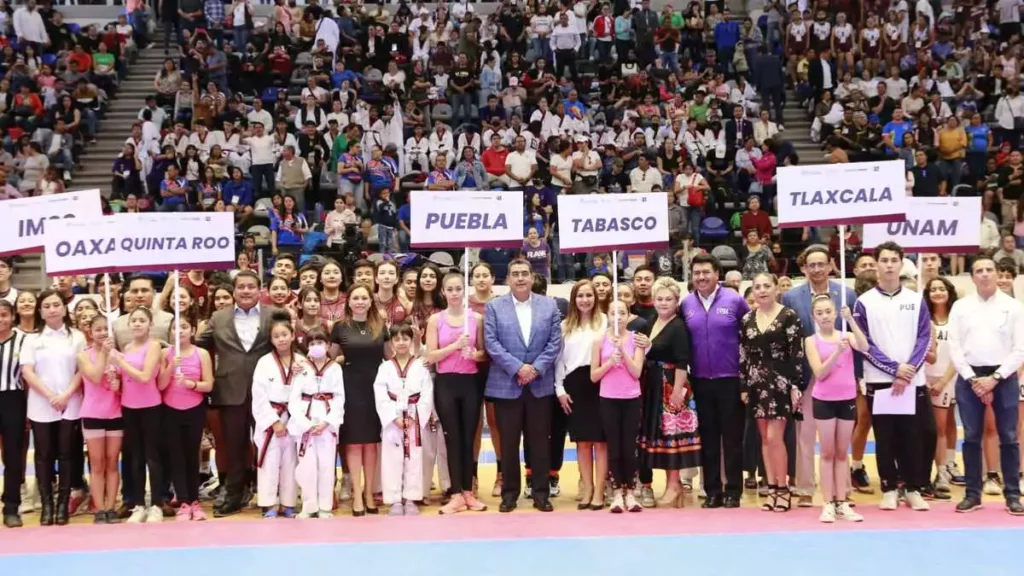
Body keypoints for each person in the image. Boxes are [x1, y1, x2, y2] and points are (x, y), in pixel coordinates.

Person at [853, 241, 933, 512]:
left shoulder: (915, 299)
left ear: (901, 263)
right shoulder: (864, 302)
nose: (888, 265)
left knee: (913, 437)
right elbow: (865, 344)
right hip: (879, 380)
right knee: (884, 437)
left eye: (893, 260)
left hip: (913, 380)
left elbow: (924, 337)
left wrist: (907, 369)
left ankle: (913, 489)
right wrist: (893, 369)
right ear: (876, 264)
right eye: (883, 260)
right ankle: (888, 488)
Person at [483, 258, 562, 513]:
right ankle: (509, 494)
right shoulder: (494, 307)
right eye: (515, 274)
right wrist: (518, 368)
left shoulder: (549, 305)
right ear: (507, 279)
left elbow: (554, 343)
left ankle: (541, 493)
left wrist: (535, 368)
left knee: (539, 442)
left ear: (532, 277)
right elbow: (492, 343)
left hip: (539, 384)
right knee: (508, 443)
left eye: (524, 274)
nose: (520, 278)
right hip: (507, 384)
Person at [196, 271, 277, 517]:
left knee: (268, 445)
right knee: (234, 446)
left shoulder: (274, 315)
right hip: (230, 390)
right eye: (241, 286)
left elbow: (285, 344)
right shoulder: (218, 317)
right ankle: (234, 493)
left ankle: (269, 495)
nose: (246, 291)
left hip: (268, 391)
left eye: (251, 286)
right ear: (234, 290)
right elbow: (199, 346)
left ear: (259, 289)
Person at [947, 256, 1024, 515]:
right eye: (979, 270)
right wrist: (971, 378)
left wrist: (996, 378)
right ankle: (972, 494)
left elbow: (1020, 349)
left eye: (989, 270)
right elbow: (954, 347)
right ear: (972, 277)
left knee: (1009, 437)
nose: (985, 274)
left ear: (997, 273)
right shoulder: (961, 307)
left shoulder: (1013, 307)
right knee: (970, 437)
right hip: (970, 378)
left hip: (1004, 377)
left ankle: (1012, 495)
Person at [781, 245, 856, 507]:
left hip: (841, 373)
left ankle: (842, 488)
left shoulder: (846, 294)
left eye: (821, 264)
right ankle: (804, 487)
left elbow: (856, 337)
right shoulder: (791, 297)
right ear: (803, 268)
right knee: (805, 433)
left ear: (830, 265)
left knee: (838, 436)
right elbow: (789, 341)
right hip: (806, 372)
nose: (816, 269)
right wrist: (792, 379)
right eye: (811, 265)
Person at [681, 254, 749, 508]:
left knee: (732, 440)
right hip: (700, 381)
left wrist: (745, 379)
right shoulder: (686, 304)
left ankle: (733, 490)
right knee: (708, 439)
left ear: (717, 274)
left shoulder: (735, 300)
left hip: (731, 381)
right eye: (696, 273)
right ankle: (712, 491)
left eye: (706, 272)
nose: (701, 277)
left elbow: (748, 336)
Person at [740, 272, 805, 512]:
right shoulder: (747, 318)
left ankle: (783, 488)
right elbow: (743, 354)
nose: (762, 290)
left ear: (777, 288)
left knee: (774, 438)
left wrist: (795, 385)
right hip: (756, 382)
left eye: (767, 285)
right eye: (757, 286)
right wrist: (744, 385)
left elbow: (797, 353)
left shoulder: (789, 317)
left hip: (781, 382)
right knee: (764, 440)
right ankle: (771, 486)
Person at [425, 273, 487, 514]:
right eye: (450, 289)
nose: (454, 293)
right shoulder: (435, 320)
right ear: (443, 292)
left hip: (470, 383)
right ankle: (455, 493)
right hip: (446, 384)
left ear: (464, 291)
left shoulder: (476, 319)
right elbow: (431, 356)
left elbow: (483, 353)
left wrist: (475, 355)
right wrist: (455, 346)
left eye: (458, 289)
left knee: (468, 439)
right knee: (452, 439)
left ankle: (468, 492)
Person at [805, 296, 868, 523]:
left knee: (842, 453)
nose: (824, 316)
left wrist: (850, 319)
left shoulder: (847, 336)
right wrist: (836, 353)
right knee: (827, 453)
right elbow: (820, 372)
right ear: (814, 317)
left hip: (847, 398)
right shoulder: (811, 341)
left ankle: (842, 502)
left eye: (828, 311)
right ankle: (828, 503)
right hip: (824, 400)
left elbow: (865, 345)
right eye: (819, 313)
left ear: (834, 313)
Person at [639, 277, 699, 507]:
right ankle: (670, 484)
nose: (663, 303)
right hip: (653, 382)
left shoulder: (679, 326)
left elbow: (683, 361)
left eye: (669, 299)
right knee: (661, 435)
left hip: (671, 383)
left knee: (672, 434)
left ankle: (675, 485)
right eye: (659, 299)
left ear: (677, 301)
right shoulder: (652, 321)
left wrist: (677, 392)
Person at [331, 283, 389, 516]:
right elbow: (329, 359)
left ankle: (368, 493)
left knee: (372, 441)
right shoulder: (339, 327)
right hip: (350, 389)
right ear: (349, 302)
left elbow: (390, 357)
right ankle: (356, 493)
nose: (360, 302)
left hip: (376, 388)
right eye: (355, 298)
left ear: (370, 301)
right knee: (354, 442)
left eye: (364, 298)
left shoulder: (380, 325)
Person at [555, 279, 608, 511]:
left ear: (595, 298)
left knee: (601, 441)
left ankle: (599, 490)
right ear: (573, 300)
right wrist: (560, 390)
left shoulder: (605, 322)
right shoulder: (564, 326)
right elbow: (558, 362)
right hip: (574, 384)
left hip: (600, 383)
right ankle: (586, 487)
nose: (585, 300)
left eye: (589, 295)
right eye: (580, 296)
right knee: (582, 441)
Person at [111, 307, 166, 524]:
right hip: (129, 407)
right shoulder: (125, 347)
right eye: (134, 320)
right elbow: (126, 381)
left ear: (150, 325)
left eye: (142, 320)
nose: (137, 324)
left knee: (153, 456)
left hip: (151, 406)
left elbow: (145, 376)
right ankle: (138, 504)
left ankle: (157, 505)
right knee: (134, 458)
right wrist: (116, 383)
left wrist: (121, 362)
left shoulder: (154, 346)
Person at [374, 321, 433, 516]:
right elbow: (380, 394)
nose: (401, 343)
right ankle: (394, 499)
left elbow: (426, 395)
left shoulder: (421, 365)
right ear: (390, 343)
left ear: (412, 340)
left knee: (414, 459)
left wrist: (415, 417)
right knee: (392, 460)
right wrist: (393, 417)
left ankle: (411, 498)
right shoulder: (385, 368)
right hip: (393, 420)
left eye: (405, 338)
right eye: (396, 339)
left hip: (414, 419)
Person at [158, 313, 214, 521]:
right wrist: (172, 365)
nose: (179, 331)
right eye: (175, 328)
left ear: (192, 330)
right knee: (176, 456)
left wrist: (191, 384)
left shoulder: (202, 354)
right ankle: (182, 501)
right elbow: (161, 385)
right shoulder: (165, 353)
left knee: (192, 455)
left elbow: (208, 384)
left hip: (195, 409)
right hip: (170, 410)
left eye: (183, 327)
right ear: (170, 332)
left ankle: (194, 500)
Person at [593, 299, 646, 513]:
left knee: (629, 448)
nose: (618, 317)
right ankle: (616, 493)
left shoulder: (636, 340)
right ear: (607, 315)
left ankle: (631, 492)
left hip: (631, 399)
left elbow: (636, 372)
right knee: (613, 447)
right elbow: (594, 376)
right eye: (613, 313)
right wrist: (609, 362)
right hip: (608, 399)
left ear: (628, 315)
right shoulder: (599, 341)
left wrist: (623, 351)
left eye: (622, 313)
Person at [288, 327, 345, 519]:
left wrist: (328, 422)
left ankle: (325, 506)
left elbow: (339, 398)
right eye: (312, 344)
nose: (316, 346)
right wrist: (304, 423)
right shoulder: (301, 367)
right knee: (306, 464)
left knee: (327, 465)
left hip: (326, 421)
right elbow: (293, 399)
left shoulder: (335, 368)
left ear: (328, 345)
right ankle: (308, 505)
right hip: (305, 418)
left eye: (320, 342)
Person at [251, 311, 301, 519]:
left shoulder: (302, 361)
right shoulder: (264, 362)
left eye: (284, 334)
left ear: (292, 335)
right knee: (270, 462)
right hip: (271, 418)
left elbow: (307, 393)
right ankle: (269, 503)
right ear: (271, 340)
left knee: (291, 461)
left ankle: (289, 502)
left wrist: (297, 418)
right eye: (276, 336)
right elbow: (259, 395)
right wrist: (273, 422)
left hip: (295, 417)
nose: (281, 339)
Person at [75, 315, 123, 525]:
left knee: (112, 462)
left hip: (115, 413)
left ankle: (111, 507)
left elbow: (124, 386)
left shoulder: (118, 355)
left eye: (105, 329)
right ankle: (99, 509)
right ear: (90, 332)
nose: (102, 333)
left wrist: (117, 385)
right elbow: (94, 377)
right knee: (97, 463)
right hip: (93, 413)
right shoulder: (83, 355)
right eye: (98, 329)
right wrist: (104, 354)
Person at [925, 276, 959, 493]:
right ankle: (940, 467)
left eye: (941, 288)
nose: (937, 292)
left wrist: (944, 380)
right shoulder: (925, 319)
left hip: (948, 377)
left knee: (946, 425)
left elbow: (959, 354)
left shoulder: (957, 319)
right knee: (933, 427)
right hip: (924, 378)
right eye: (933, 289)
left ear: (949, 292)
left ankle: (946, 466)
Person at [0, 300, 29, 528]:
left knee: (13, 456)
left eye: (4, 315)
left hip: (13, 400)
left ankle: (11, 507)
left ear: (12, 317)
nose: (1, 320)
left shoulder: (23, 340)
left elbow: (29, 375)